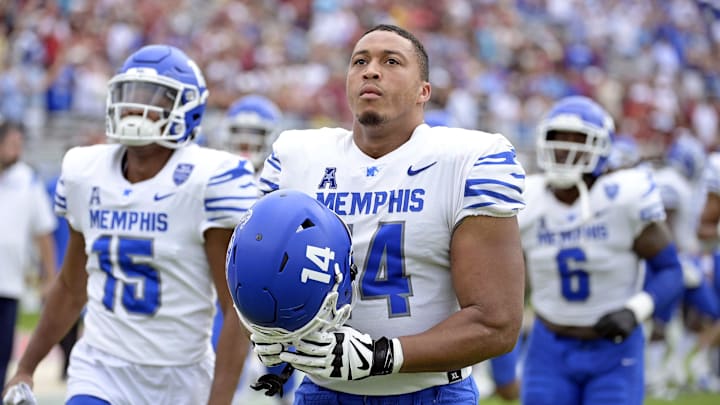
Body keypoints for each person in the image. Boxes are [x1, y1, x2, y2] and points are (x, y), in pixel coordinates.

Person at [245, 24, 527, 404]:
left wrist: (381, 356)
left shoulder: (469, 159)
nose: (371, 70)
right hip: (324, 392)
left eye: (391, 61)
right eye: (359, 61)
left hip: (430, 393)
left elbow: (497, 324)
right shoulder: (298, 157)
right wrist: (273, 331)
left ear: (423, 91)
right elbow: (256, 271)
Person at [2, 44, 256, 405]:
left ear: (187, 107)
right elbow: (73, 287)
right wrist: (26, 367)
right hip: (100, 369)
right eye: (130, 95)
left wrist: (220, 400)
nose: (137, 107)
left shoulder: (207, 179)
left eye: (154, 97)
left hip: (179, 378)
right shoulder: (85, 171)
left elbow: (235, 308)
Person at [518, 95, 684, 405]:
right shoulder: (527, 199)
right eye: (559, 139)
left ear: (601, 147)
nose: (566, 148)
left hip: (614, 347)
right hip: (548, 345)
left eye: (578, 139)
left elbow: (672, 270)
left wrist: (636, 310)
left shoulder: (623, 197)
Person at [209, 94, 298, 405]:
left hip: (275, 299)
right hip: (225, 296)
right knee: (219, 377)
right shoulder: (214, 182)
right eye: (239, 134)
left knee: (284, 380)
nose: (246, 143)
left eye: (255, 135)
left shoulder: (286, 182)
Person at [0, 121, 57, 390]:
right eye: (12, 145)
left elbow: (43, 231)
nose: (18, 151)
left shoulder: (27, 179)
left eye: (20, 144)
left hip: (9, 284)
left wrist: (50, 275)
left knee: (2, 358)